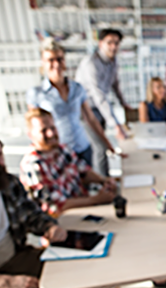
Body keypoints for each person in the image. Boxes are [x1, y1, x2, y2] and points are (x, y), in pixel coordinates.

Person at [0, 131, 67, 288]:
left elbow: (32, 215)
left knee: (73, 266)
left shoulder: (10, 184)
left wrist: (50, 227)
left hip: (17, 258)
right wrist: (2, 281)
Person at [26, 38, 116, 170]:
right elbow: (34, 129)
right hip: (58, 152)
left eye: (59, 59)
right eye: (51, 60)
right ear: (43, 63)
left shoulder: (77, 88)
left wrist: (107, 143)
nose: (56, 64)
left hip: (82, 147)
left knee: (87, 186)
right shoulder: (36, 94)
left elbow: (90, 118)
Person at [20, 108, 118, 216]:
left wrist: (104, 181)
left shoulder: (63, 149)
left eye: (53, 128)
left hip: (85, 206)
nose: (51, 133)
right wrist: (96, 200)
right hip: (66, 218)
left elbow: (84, 172)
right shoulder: (33, 165)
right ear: (30, 135)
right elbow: (56, 206)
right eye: (43, 130)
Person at [75, 29, 132, 177]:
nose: (113, 46)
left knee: (103, 147)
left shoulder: (113, 61)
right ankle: (104, 185)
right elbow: (99, 95)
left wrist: (124, 104)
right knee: (100, 147)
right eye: (109, 43)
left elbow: (115, 85)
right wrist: (115, 124)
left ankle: (105, 180)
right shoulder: (91, 63)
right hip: (86, 109)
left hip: (99, 108)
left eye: (117, 43)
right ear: (100, 44)